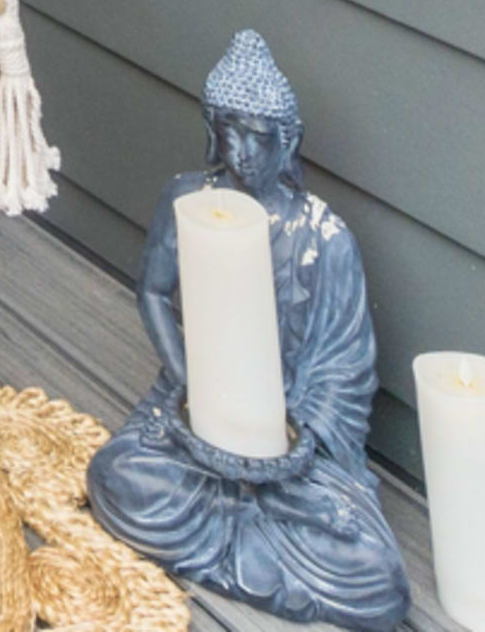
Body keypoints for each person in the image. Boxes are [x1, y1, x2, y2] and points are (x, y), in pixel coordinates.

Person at [86, 33, 412, 629]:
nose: (242, 152)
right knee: (117, 477)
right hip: (193, 414)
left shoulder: (325, 237)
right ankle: (256, 549)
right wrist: (190, 385)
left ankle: (235, 536)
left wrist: (294, 438)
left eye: (258, 136)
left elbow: (346, 366)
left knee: (375, 575)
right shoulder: (189, 199)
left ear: (287, 140)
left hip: (295, 440)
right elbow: (153, 292)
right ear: (212, 130)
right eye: (228, 130)